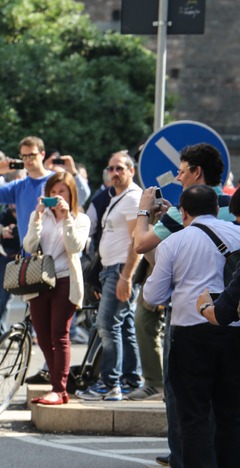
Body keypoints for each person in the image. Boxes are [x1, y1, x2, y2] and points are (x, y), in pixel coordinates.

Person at [143, 185, 240, 468]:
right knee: (230, 413)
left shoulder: (176, 241)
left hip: (191, 333)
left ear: (182, 212)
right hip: (233, 332)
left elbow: (152, 297)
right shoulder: (236, 233)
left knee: (195, 412)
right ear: (217, 206)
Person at [77, 151, 143, 402]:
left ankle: (109, 383)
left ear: (131, 171)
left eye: (120, 169)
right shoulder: (119, 197)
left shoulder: (132, 198)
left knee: (106, 325)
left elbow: (136, 240)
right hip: (111, 270)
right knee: (124, 327)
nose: (114, 173)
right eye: (111, 169)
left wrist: (126, 276)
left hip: (120, 270)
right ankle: (129, 380)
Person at [23, 172, 90, 405]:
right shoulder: (38, 215)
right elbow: (29, 246)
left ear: (71, 194)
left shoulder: (80, 218)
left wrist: (66, 218)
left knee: (59, 334)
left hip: (65, 280)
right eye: (53, 192)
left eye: (62, 191)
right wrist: (38, 219)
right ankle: (58, 386)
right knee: (42, 337)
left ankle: (58, 389)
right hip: (40, 280)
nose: (57, 196)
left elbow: (75, 246)